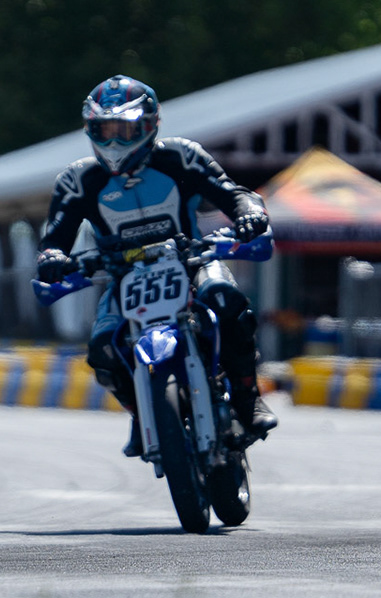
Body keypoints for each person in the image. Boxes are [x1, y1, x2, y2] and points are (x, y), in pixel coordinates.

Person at [35, 75, 276, 454]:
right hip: (123, 278)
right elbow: (54, 239)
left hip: (192, 263)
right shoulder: (77, 180)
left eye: (125, 129)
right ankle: (142, 414)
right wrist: (52, 258)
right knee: (102, 349)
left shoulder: (182, 156)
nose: (114, 142)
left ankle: (248, 398)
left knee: (225, 298)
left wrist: (249, 214)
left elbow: (234, 194)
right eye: (105, 130)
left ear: (150, 125)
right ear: (90, 130)